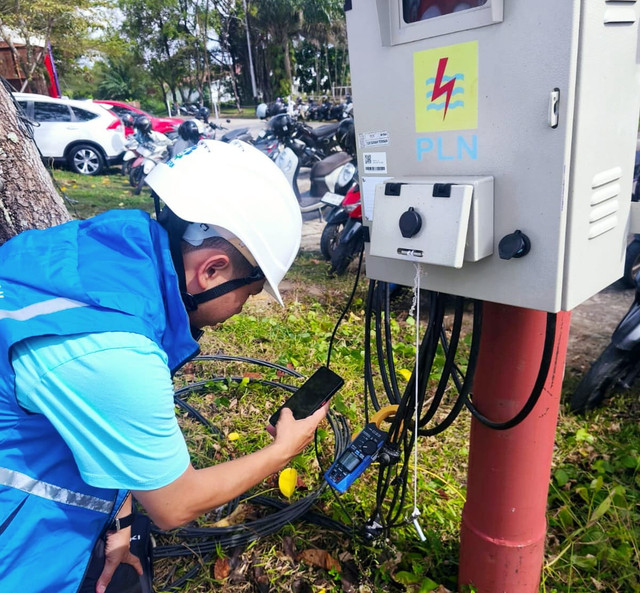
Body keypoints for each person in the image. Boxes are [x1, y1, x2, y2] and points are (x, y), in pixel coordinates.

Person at [0, 139, 327, 592]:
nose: (240, 309)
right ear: (212, 270)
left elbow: (82, 412)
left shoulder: (98, 250)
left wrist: (119, 516)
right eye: (248, 295)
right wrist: (282, 451)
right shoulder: (116, 352)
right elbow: (175, 506)